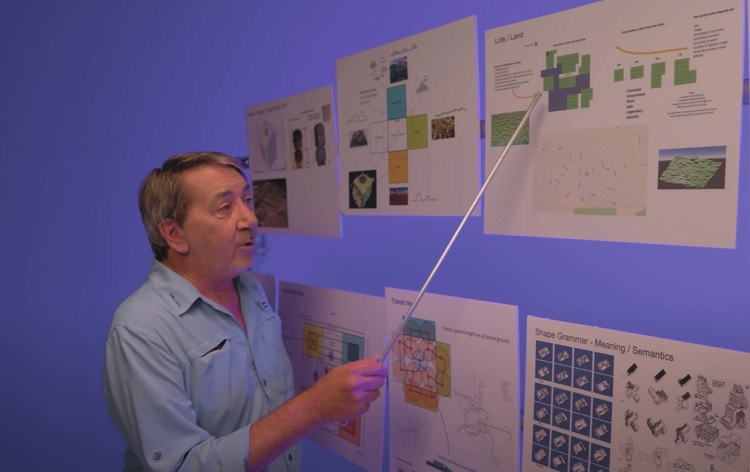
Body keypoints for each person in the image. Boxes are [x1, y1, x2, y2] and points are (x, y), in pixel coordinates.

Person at [103, 151, 387, 472]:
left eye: (247, 200)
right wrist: (314, 408)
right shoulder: (140, 329)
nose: (250, 219)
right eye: (225, 208)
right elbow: (183, 466)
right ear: (174, 234)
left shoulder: (250, 288)